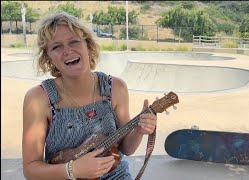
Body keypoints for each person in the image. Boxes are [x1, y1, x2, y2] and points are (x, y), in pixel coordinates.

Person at [22, 12, 157, 180]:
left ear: (88, 46)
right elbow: (31, 170)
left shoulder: (115, 88)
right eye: (56, 47)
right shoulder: (39, 98)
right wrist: (73, 170)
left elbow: (126, 149)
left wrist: (138, 130)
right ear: (48, 57)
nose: (67, 51)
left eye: (74, 41)